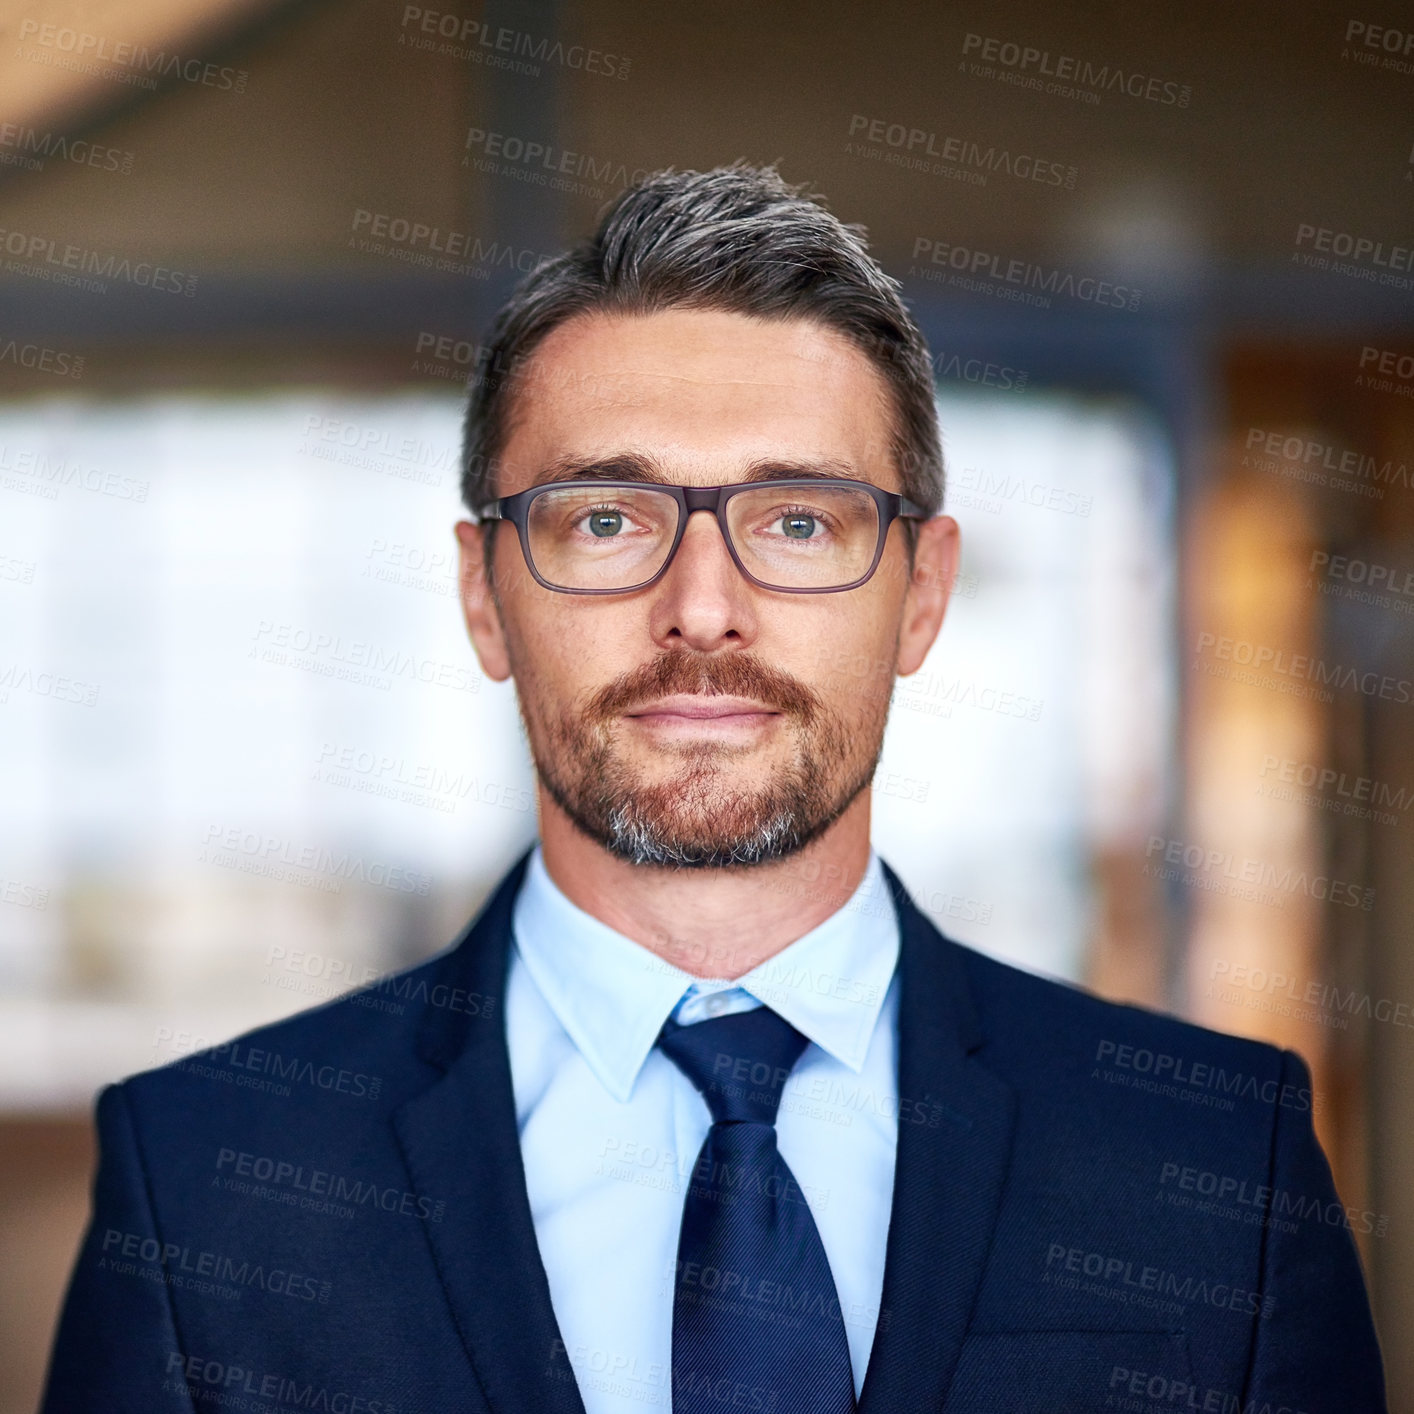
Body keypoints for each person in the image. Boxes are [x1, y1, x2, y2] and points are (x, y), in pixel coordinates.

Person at [41, 164, 1385, 1414]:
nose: (701, 610)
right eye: (605, 519)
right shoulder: (205, 1185)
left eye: (797, 520)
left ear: (920, 593)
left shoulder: (1212, 1164)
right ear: (482, 596)